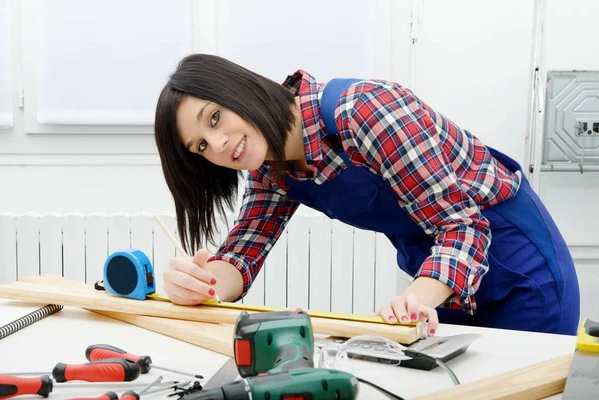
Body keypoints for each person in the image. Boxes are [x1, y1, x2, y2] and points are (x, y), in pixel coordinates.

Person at [153, 53, 581, 336]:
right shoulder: (270, 169)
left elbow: (463, 225)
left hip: (519, 269)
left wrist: (417, 298)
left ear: (239, 89)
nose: (220, 144)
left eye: (214, 118)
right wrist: (200, 285)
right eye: (202, 147)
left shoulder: (365, 112)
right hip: (439, 278)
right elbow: (242, 256)